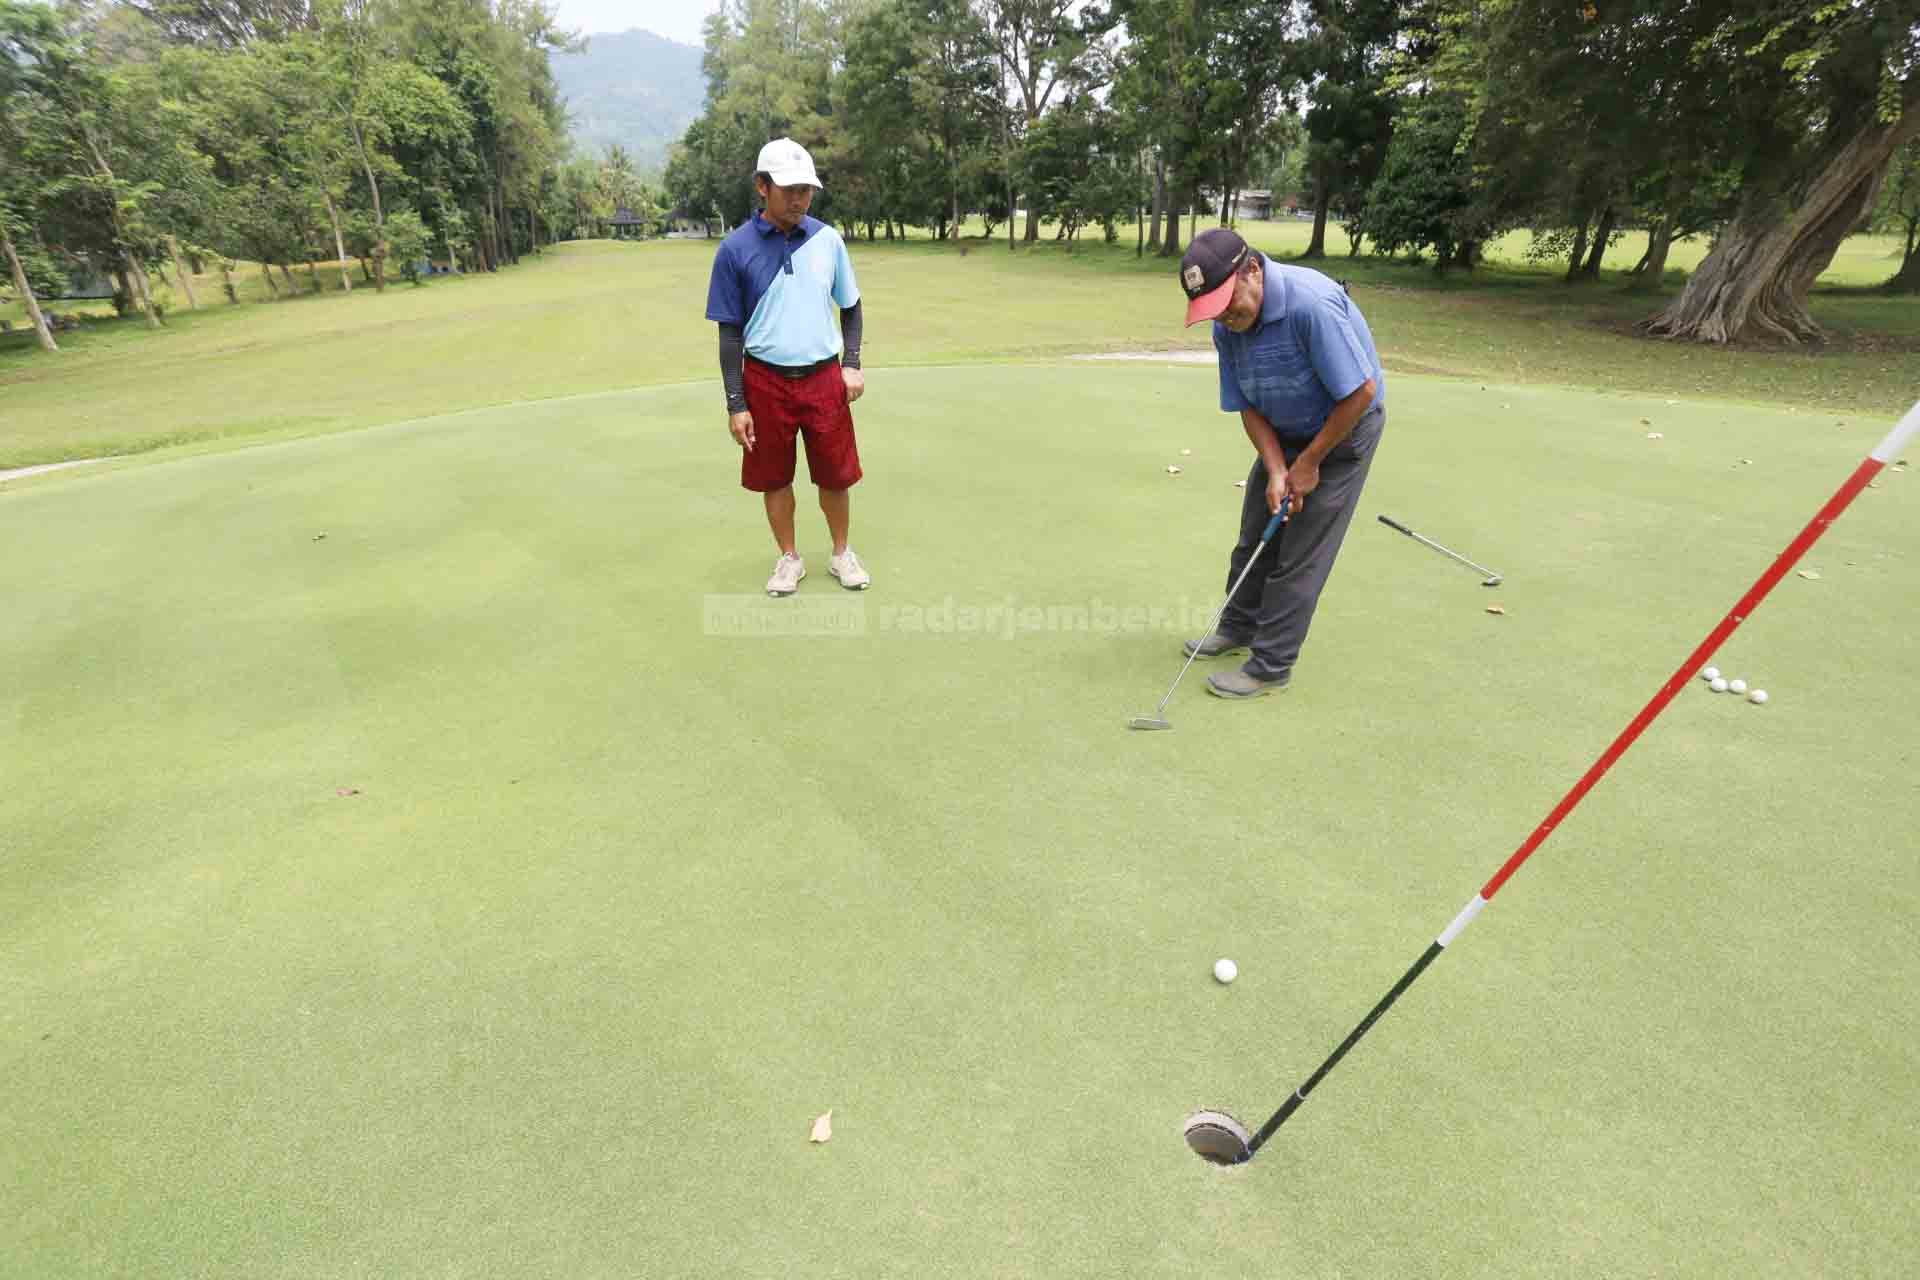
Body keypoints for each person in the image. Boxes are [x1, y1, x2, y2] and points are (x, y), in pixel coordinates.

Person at [1175, 227, 1386, 699]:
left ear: (1253, 269)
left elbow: (1360, 392)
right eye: (1214, 310)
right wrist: (1275, 467)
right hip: (1284, 428)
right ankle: (1238, 626)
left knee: (1300, 552)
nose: (1226, 317)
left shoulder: (1310, 305)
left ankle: (1271, 666)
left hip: (1343, 431)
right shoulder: (1226, 327)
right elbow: (1246, 404)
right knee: (1255, 532)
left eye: (1229, 303)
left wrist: (1309, 462)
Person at [705, 137, 870, 597]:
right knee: (773, 477)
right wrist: (736, 402)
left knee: (836, 474)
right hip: (764, 380)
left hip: (822, 377)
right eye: (788, 188)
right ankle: (790, 559)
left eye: (806, 189)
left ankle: (841, 553)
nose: (799, 198)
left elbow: (851, 307)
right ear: (762, 186)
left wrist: (851, 363)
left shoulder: (826, 239)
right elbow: (729, 334)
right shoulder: (734, 250)